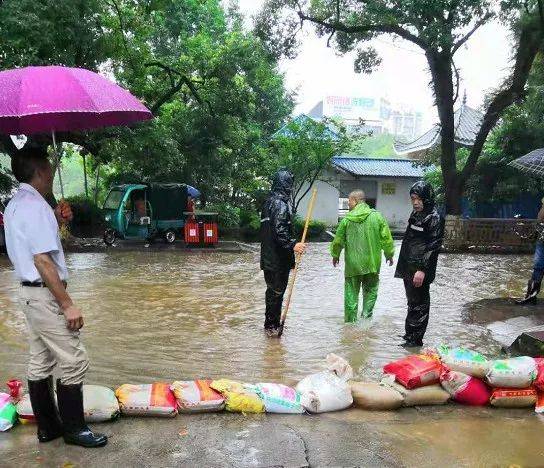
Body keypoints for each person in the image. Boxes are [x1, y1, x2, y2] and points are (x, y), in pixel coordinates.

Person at [4, 147, 107, 448]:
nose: (52, 170)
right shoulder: (34, 207)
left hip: (29, 293)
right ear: (40, 171)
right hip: (44, 294)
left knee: (40, 360)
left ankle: (49, 427)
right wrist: (67, 304)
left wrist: (57, 218)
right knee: (75, 360)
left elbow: (35, 243)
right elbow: (42, 261)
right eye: (49, 165)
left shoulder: (18, 204)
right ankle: (75, 430)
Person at [330, 190, 395, 322]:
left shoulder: (346, 220)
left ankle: (350, 324)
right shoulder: (377, 217)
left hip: (353, 265)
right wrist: (389, 254)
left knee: (351, 294)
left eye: (349, 201)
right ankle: (366, 319)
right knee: (371, 292)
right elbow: (387, 239)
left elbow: (338, 241)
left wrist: (335, 255)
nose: (348, 204)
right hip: (372, 263)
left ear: (355, 200)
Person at [395, 181, 444, 347]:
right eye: (413, 199)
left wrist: (422, 270)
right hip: (409, 265)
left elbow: (433, 246)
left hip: (420, 269)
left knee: (420, 304)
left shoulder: (435, 218)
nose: (415, 202)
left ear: (427, 199)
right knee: (412, 302)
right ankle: (409, 335)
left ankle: (415, 341)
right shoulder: (416, 214)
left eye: (418, 199)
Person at [260, 169, 305, 337]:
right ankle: (272, 327)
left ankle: (270, 325)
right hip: (277, 259)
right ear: (285, 185)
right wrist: (294, 245)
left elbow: (271, 232)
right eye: (290, 185)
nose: (291, 188)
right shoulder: (279, 204)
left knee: (272, 292)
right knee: (276, 293)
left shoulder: (268, 203)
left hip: (269, 258)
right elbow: (279, 231)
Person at [516, 198, 544, 304]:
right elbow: (540, 217)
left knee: (539, 266)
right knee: (538, 267)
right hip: (542, 237)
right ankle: (531, 296)